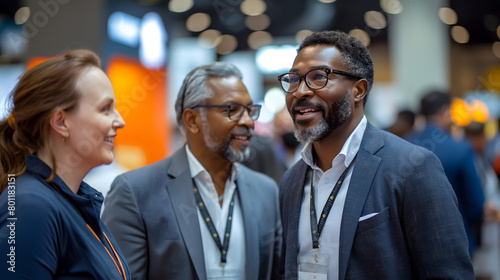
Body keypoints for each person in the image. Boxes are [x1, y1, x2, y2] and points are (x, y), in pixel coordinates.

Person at [277, 30, 473, 279]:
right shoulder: (292, 180)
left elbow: (448, 273)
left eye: (318, 77)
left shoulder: (412, 167)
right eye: (294, 79)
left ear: (358, 90)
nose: (300, 91)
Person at [102, 62, 282, 280]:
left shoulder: (265, 191)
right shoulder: (135, 192)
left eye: (249, 110)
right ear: (192, 120)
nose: (248, 122)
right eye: (231, 110)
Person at [0, 49, 130, 279]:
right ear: (61, 122)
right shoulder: (30, 205)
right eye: (105, 109)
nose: (120, 121)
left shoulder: (74, 199)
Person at [406, 90, 485, 257]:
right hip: (456, 240)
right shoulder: (461, 149)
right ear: (445, 111)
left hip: (410, 243)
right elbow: (476, 204)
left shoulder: (402, 144)